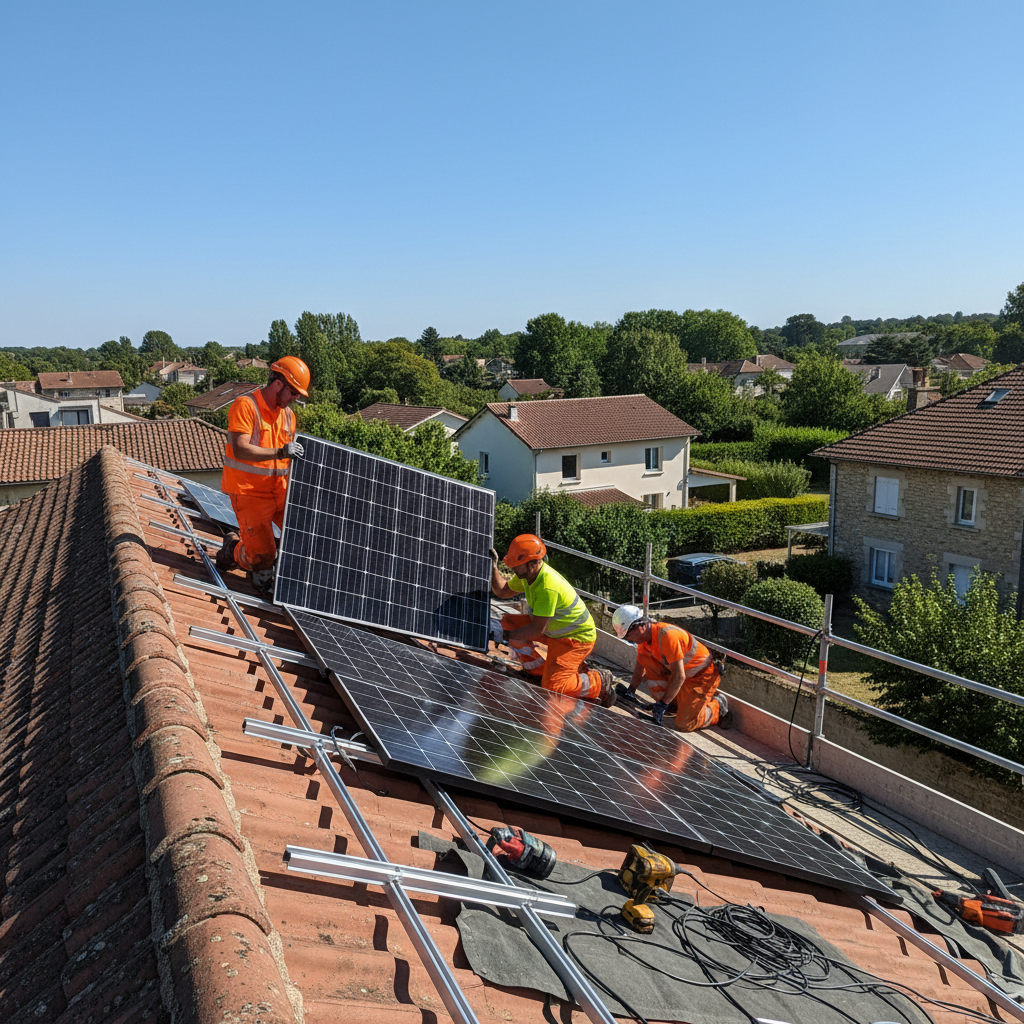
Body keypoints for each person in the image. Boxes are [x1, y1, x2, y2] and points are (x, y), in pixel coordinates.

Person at [216, 356, 310, 592]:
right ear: (278, 384)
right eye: (293, 393)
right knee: (263, 555)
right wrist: (279, 452)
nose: (295, 399)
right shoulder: (246, 405)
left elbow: (289, 456)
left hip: (279, 490)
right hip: (249, 494)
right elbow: (240, 447)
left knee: (306, 536)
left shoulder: (288, 415)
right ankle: (234, 549)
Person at [491, 534, 616, 706]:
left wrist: (506, 636)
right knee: (508, 623)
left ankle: (598, 681)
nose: (513, 569)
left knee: (553, 687)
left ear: (531, 564)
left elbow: (536, 629)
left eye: (516, 566)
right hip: (554, 630)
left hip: (575, 639)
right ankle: (537, 671)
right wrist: (493, 567)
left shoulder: (547, 586)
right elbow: (503, 591)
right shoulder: (528, 576)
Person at [612, 604, 730, 731]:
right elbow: (640, 667)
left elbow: (679, 676)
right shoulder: (644, 642)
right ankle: (675, 703)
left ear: (640, 625)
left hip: (702, 677)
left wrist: (662, 704)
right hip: (683, 676)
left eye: (628, 636)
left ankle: (718, 706)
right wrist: (631, 691)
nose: (629, 640)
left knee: (684, 723)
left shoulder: (667, 636)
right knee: (648, 662)